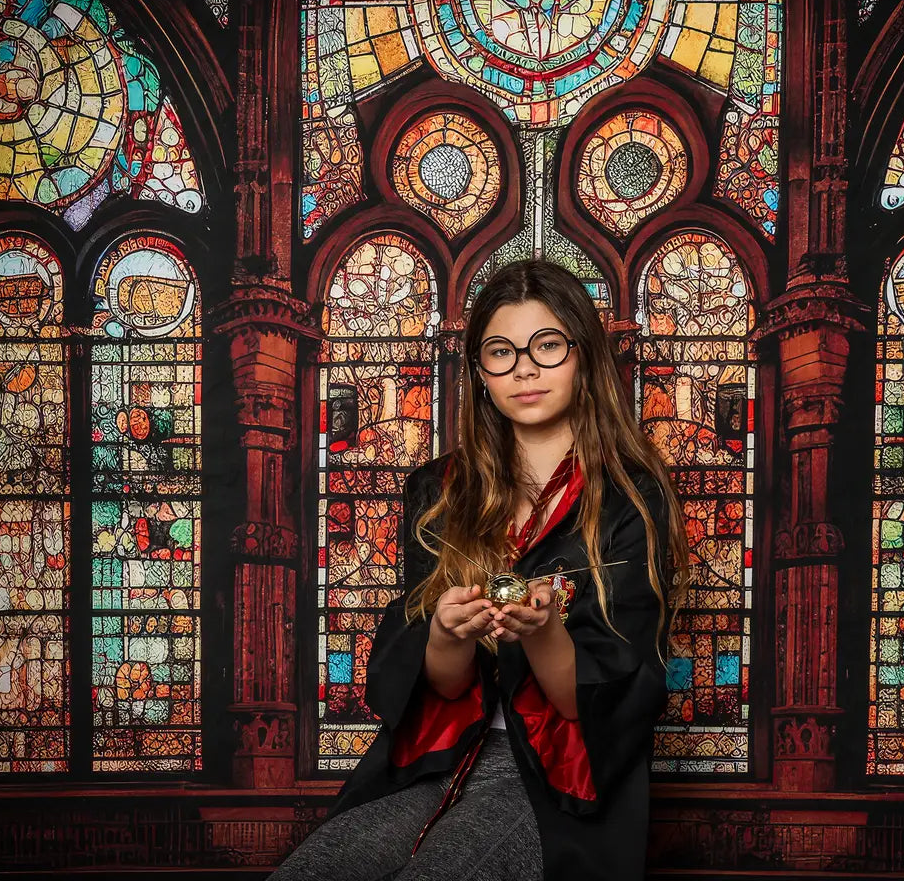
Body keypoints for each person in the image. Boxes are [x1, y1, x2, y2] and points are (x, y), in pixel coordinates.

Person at [268, 259, 690, 881]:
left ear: (584, 356)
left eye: (547, 345)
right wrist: (445, 633)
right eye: (501, 351)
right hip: (434, 762)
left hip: (555, 783)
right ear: (479, 372)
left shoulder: (632, 498)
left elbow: (594, 703)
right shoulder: (439, 492)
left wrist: (542, 631)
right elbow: (436, 688)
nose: (524, 367)